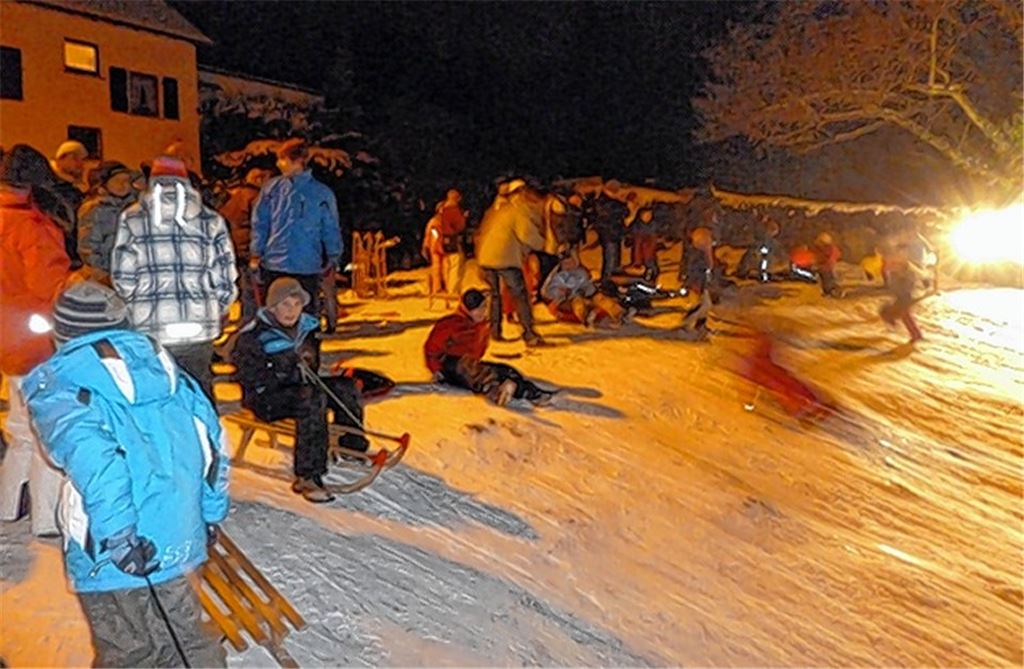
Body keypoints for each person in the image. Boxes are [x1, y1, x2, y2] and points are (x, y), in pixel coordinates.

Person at [22, 281, 230, 668]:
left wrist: (118, 535)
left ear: (61, 334)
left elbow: (97, 463)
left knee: (129, 647)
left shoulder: (62, 387)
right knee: (184, 636)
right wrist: (211, 512)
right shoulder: (171, 374)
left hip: (116, 547)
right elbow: (213, 448)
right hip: (178, 531)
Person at [233, 278, 383, 503]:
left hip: (298, 387)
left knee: (346, 386)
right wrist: (281, 367)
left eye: (296, 305)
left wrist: (308, 361)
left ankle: (351, 446)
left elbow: (311, 368)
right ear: (272, 306)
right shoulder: (253, 337)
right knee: (311, 398)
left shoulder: (306, 329)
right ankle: (308, 476)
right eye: (285, 304)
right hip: (266, 398)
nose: (291, 311)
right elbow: (248, 376)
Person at [110, 156, 238, 400]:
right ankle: (203, 424)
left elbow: (123, 275)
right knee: (199, 387)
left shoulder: (132, 218)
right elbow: (225, 273)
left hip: (151, 324)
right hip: (199, 323)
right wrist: (218, 307)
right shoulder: (211, 220)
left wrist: (136, 303)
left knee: (158, 390)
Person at [0, 163, 73, 537]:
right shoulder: (32, 226)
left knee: (20, 428)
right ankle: (46, 517)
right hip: (37, 336)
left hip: (7, 333)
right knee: (48, 428)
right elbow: (47, 282)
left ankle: (7, 504)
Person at [251, 138, 342, 322]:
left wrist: (333, 256)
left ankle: (307, 340)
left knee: (305, 317)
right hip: (275, 264)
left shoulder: (321, 193)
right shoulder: (272, 189)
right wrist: (256, 252)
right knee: (276, 316)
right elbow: (260, 222)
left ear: (297, 161)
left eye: (282, 159)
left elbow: (330, 228)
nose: (278, 164)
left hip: (306, 265)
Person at [424, 289, 554, 406]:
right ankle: (496, 392)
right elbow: (431, 348)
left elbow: (478, 351)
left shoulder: (480, 325)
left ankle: (530, 392)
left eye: (484, 307)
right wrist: (437, 370)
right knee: (479, 373)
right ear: (468, 310)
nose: (483, 312)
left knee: (504, 370)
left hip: (470, 364)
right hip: (449, 365)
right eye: (479, 309)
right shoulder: (451, 323)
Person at [475, 179, 547, 345]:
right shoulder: (517, 210)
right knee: (520, 295)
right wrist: (545, 244)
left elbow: (483, 232)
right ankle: (529, 334)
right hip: (504, 258)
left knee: (495, 295)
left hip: (486, 257)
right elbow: (526, 234)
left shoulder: (497, 209)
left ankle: (494, 331)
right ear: (520, 193)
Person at [219, 167, 270, 323]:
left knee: (245, 287)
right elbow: (261, 224)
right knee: (253, 289)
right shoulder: (256, 198)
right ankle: (252, 320)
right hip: (249, 247)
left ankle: (246, 318)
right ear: (259, 180)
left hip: (236, 246)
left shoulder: (236, 197)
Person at [77, 161, 136, 284]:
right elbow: (88, 243)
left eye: (127, 181)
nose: (123, 185)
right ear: (103, 183)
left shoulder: (133, 207)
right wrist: (98, 270)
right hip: (103, 273)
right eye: (117, 181)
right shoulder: (95, 209)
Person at [540, 252, 631, 328]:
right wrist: (561, 293)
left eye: (571, 263)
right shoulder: (558, 277)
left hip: (585, 295)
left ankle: (619, 313)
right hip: (569, 300)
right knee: (578, 304)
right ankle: (590, 317)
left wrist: (591, 291)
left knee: (600, 298)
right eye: (566, 264)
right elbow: (549, 292)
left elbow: (587, 284)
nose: (569, 266)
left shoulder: (580, 272)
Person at [880, 243, 924, 343]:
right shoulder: (895, 264)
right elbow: (888, 273)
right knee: (903, 314)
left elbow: (913, 277)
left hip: (905, 295)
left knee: (903, 314)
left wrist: (901, 275)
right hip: (900, 294)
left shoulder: (906, 266)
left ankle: (916, 334)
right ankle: (915, 334)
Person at [680, 227, 714, 337]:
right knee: (703, 305)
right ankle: (688, 322)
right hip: (698, 284)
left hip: (702, 283)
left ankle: (699, 325)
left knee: (705, 305)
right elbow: (693, 271)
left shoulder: (702, 253)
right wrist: (694, 284)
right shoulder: (697, 255)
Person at [437, 188, 468, 295]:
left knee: (449, 266)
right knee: (456, 266)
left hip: (446, 241)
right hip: (454, 241)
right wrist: (464, 218)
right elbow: (460, 226)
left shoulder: (443, 210)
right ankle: (454, 290)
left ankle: (450, 288)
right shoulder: (454, 210)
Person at [630, 208, 659, 280]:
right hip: (641, 253)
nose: (648, 217)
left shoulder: (653, 225)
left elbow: (654, 239)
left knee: (652, 268)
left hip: (650, 253)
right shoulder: (637, 227)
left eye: (650, 215)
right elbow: (637, 244)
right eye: (646, 216)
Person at [813, 231, 843, 297]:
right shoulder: (821, 249)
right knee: (824, 280)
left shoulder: (830, 249)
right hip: (823, 267)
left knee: (828, 280)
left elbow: (833, 256)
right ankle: (827, 291)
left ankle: (832, 291)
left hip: (827, 267)